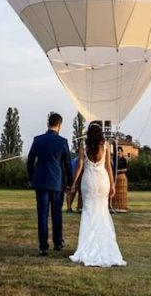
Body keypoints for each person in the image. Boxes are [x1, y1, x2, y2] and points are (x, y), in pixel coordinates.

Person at [68, 121, 126, 267]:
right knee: (102, 213)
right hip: (102, 181)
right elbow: (108, 166)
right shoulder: (105, 146)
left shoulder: (83, 146)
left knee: (88, 213)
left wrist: (74, 183)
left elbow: (80, 167)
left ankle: (86, 246)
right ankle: (103, 245)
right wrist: (112, 184)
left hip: (88, 182)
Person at [27, 112, 73, 256]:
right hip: (57, 182)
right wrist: (70, 182)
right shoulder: (63, 142)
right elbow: (67, 164)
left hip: (40, 181)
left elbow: (30, 160)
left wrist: (31, 177)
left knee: (42, 214)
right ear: (59, 125)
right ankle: (58, 242)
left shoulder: (38, 140)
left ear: (48, 123)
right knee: (56, 213)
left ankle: (43, 246)